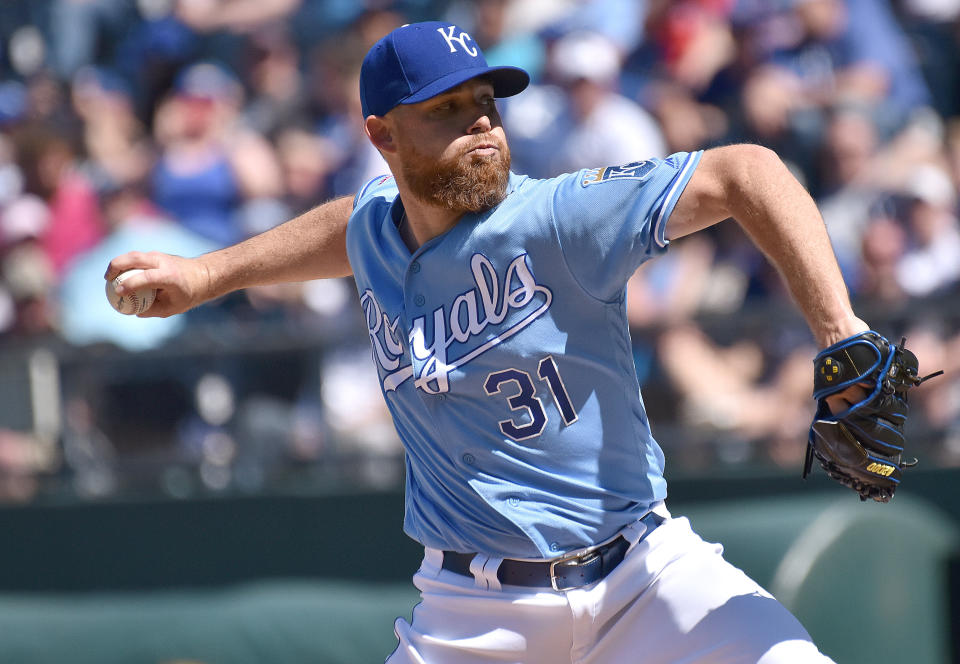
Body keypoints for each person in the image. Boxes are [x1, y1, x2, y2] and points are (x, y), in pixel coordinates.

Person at [106, 21, 869, 663]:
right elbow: (348, 224)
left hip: (643, 574)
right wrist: (208, 274)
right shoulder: (378, 226)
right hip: (473, 615)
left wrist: (841, 331)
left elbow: (747, 171)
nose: (481, 122)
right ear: (383, 136)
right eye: (446, 109)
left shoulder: (560, 219)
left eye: (485, 102)